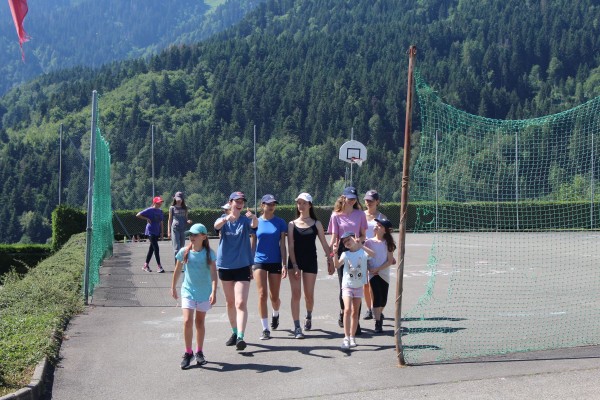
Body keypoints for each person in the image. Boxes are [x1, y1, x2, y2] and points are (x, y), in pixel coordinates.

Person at [214, 191, 258, 351]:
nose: (240, 204)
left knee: (240, 302)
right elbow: (216, 226)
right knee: (230, 302)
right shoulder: (223, 219)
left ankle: (240, 336)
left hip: (242, 266)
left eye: (242, 201)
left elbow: (254, 226)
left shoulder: (245, 220)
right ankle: (234, 332)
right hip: (225, 266)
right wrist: (226, 218)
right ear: (230, 202)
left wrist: (254, 218)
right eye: (237, 201)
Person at [170, 223, 217, 369]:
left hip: (204, 292)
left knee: (199, 322)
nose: (192, 237)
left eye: (195, 234)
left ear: (204, 236)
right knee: (187, 321)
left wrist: (214, 291)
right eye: (190, 234)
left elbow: (214, 274)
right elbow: (177, 270)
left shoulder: (209, 253)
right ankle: (188, 352)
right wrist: (173, 287)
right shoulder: (184, 252)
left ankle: (199, 352)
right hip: (188, 291)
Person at [287, 192, 331, 338]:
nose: (301, 205)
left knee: (309, 296)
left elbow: (324, 244)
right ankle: (297, 327)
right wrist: (294, 265)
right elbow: (290, 246)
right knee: (296, 294)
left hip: (310, 261)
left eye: (304, 203)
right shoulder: (291, 224)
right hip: (295, 262)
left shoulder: (317, 224)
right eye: (299, 203)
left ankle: (309, 315)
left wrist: (330, 260)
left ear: (310, 205)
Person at [327, 186, 367, 333]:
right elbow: (334, 238)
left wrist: (358, 241)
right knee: (344, 286)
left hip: (357, 251)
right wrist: (330, 255)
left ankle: (356, 322)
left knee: (357, 284)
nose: (351, 201)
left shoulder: (360, 214)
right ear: (343, 198)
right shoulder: (335, 216)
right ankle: (344, 312)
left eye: (354, 199)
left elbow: (363, 235)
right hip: (342, 251)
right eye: (349, 198)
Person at [250, 194, 288, 340]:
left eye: (273, 204)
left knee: (274, 297)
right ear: (262, 205)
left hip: (275, 261)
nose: (271, 206)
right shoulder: (256, 222)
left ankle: (275, 313)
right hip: (259, 261)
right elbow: (253, 243)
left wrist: (284, 264)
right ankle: (265, 329)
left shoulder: (280, 222)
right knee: (262, 294)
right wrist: (250, 262)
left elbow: (282, 245)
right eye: (268, 204)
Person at [332, 231, 374, 349]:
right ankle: (346, 338)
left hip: (359, 286)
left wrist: (361, 245)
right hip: (347, 285)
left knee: (355, 312)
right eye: (344, 242)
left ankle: (352, 337)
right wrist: (335, 253)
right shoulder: (345, 254)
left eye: (348, 239)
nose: (347, 242)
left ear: (354, 239)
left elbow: (373, 254)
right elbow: (337, 265)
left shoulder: (362, 252)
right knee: (347, 310)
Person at [364, 218, 396, 333]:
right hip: (373, 274)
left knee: (383, 300)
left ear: (385, 230)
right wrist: (370, 268)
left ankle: (378, 313)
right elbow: (365, 258)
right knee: (377, 297)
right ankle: (378, 323)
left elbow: (390, 261)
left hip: (383, 273)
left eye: (380, 225)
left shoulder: (388, 243)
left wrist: (378, 269)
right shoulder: (368, 242)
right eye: (376, 224)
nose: (376, 226)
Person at [362, 190, 387, 320]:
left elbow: (387, 236)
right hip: (363, 252)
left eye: (371, 200)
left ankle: (376, 307)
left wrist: (389, 253)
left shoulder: (382, 217)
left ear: (377, 201)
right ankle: (369, 309)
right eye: (366, 200)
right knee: (365, 283)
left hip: (377, 254)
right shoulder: (361, 215)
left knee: (376, 282)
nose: (368, 202)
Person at [136, 196, 165, 273]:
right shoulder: (150, 210)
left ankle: (145, 265)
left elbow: (161, 222)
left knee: (151, 249)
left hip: (156, 232)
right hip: (150, 231)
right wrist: (147, 218)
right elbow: (138, 215)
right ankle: (159, 266)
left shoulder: (160, 211)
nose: (159, 204)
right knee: (156, 248)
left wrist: (162, 233)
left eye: (160, 203)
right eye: (158, 203)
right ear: (154, 203)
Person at [167, 191, 192, 265]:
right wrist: (168, 231)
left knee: (182, 248)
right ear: (174, 199)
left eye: (180, 199)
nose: (178, 201)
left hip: (183, 229)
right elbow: (170, 220)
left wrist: (188, 221)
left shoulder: (185, 208)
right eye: (177, 199)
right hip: (175, 229)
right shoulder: (172, 208)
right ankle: (177, 265)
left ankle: (181, 264)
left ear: (182, 199)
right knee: (176, 248)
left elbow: (186, 218)